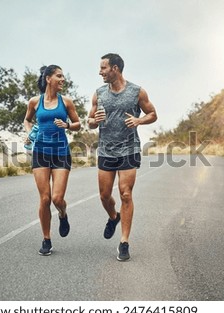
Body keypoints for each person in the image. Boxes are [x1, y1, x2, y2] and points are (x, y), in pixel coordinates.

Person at [88, 53, 157, 261]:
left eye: (103, 68)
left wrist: (138, 121)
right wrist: (94, 121)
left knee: (125, 194)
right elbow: (90, 121)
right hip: (107, 150)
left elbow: (153, 114)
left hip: (129, 148)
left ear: (115, 68)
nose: (100, 72)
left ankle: (124, 242)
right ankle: (113, 216)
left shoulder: (137, 91)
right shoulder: (99, 93)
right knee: (104, 195)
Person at [24, 65, 81, 256]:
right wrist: (29, 134)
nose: (63, 79)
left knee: (57, 198)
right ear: (48, 78)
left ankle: (63, 214)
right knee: (45, 198)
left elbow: (77, 124)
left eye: (63, 76)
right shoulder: (34, 101)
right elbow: (27, 120)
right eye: (59, 76)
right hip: (40, 152)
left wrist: (66, 125)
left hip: (61, 152)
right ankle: (46, 239)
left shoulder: (66, 102)